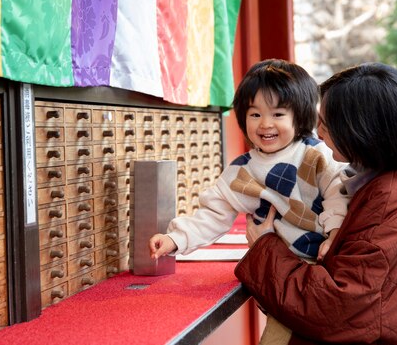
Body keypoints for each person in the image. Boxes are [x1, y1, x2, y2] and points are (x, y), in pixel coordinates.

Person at [235, 62, 397, 345]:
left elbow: (337, 307)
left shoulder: (392, 197)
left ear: (362, 131)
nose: (316, 132)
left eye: (326, 124)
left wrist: (264, 248)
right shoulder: (388, 179)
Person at [148, 59, 350, 343]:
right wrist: (175, 239)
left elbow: (337, 194)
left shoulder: (315, 155)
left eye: (278, 114)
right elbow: (214, 212)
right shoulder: (242, 170)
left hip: (319, 269)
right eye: (255, 114)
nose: (265, 124)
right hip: (280, 272)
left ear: (300, 116)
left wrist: (334, 233)